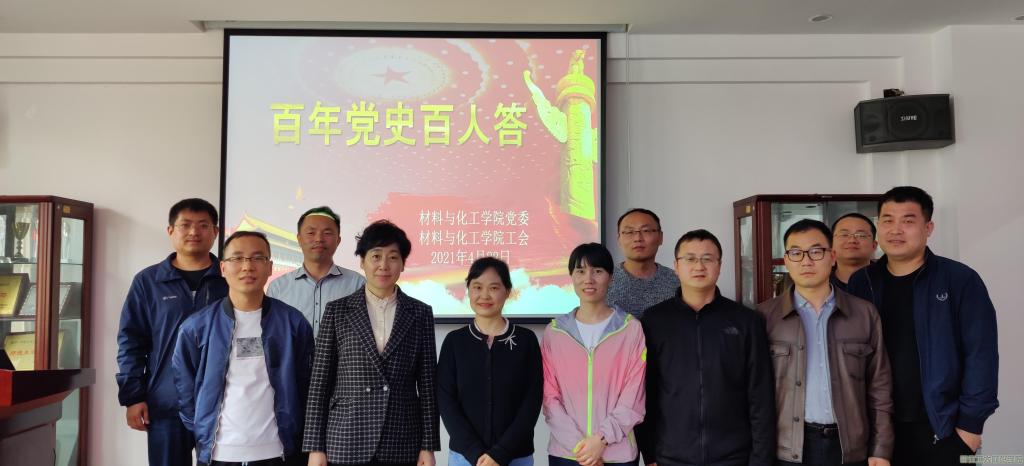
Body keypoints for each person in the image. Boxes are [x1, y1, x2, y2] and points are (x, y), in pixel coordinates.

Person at [848, 186, 998, 466]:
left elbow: (981, 355)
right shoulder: (862, 282)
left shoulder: (959, 280)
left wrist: (970, 428)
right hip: (877, 429)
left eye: (908, 221)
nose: (896, 229)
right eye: (887, 220)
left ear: (928, 228)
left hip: (942, 427)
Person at [303, 220, 440, 466]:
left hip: (401, 440)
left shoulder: (420, 313)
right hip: (346, 438)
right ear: (362, 261)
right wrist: (315, 447)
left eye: (393, 257)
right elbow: (319, 383)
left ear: (403, 264)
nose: (383, 265)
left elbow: (428, 385)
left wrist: (428, 446)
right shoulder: (337, 311)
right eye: (376, 256)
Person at [758, 219, 893, 466]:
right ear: (786, 260)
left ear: (832, 257)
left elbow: (880, 386)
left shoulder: (864, 314)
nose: (806, 261)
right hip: (787, 449)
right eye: (796, 253)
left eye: (816, 251)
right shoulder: (764, 317)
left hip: (850, 447)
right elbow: (751, 393)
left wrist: (881, 449)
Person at [173, 231, 314, 466]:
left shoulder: (293, 323)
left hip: (278, 451)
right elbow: (185, 390)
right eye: (237, 258)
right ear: (223, 268)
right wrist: (201, 427)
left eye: (257, 258)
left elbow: (306, 386)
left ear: (270, 267)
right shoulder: (196, 327)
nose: (247, 266)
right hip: (220, 452)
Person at [636, 229, 774, 466]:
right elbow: (645, 391)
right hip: (671, 456)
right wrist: (649, 453)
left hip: (734, 457)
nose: (699, 266)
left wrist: (760, 460)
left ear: (719, 266)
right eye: (690, 259)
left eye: (707, 259)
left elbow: (760, 396)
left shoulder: (746, 321)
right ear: (676, 266)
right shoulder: (654, 321)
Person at [116, 198, 228, 466]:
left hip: (223, 403)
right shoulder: (148, 281)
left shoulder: (229, 278)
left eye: (203, 225)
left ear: (215, 232)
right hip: (166, 403)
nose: (194, 232)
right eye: (185, 225)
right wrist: (133, 397)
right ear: (170, 231)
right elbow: (131, 341)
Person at [542, 243, 647, 466]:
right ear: (571, 277)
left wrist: (601, 440)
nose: (588, 279)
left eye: (597, 271)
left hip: (617, 454)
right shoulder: (555, 332)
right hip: (567, 454)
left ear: (611, 277)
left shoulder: (630, 329)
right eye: (580, 271)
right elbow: (550, 397)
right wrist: (582, 449)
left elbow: (634, 396)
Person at [438, 257, 543, 466]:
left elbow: (532, 402)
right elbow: (446, 402)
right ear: (468, 290)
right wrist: (474, 452)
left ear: (508, 291)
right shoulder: (454, 341)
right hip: (465, 458)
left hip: (516, 457)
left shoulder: (526, 340)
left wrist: (500, 453)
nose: (484, 295)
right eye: (477, 287)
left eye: (494, 288)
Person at [267, 206, 365, 334]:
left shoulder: (357, 284)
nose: (319, 239)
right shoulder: (278, 288)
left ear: (338, 240)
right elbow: (272, 334)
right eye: (311, 233)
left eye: (327, 233)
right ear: (299, 239)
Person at [606, 208, 679, 318]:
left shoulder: (678, 282)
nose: (638, 238)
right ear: (619, 239)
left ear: (660, 237)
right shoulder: (603, 281)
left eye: (646, 231)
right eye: (629, 232)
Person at [830, 213, 878, 291]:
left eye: (861, 235)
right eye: (844, 235)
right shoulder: (819, 283)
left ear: (874, 245)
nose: (852, 240)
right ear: (831, 244)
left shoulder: (889, 282)